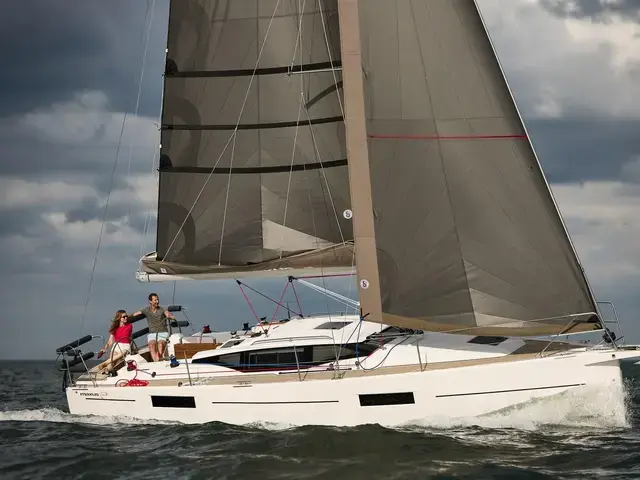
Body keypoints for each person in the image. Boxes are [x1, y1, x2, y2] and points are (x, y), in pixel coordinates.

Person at [131, 293, 174, 362]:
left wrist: (169, 316)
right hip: (152, 334)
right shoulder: (146, 310)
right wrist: (127, 318)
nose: (157, 301)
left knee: (160, 344)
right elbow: (136, 313)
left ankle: (159, 358)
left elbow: (167, 313)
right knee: (151, 345)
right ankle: (156, 361)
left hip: (163, 333)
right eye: (155, 300)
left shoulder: (162, 309)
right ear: (150, 301)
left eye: (158, 300)